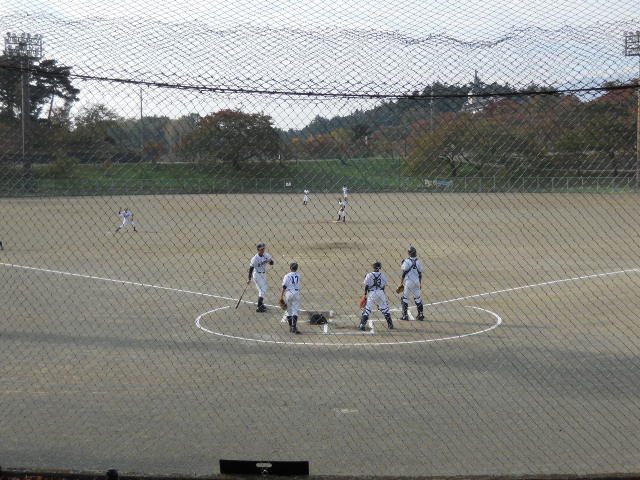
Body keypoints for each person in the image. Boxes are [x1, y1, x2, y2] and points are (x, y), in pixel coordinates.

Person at [358, 261, 393, 331]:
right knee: (385, 309)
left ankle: (362, 325)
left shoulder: (369, 275)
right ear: (379, 268)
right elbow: (384, 286)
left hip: (372, 293)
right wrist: (380, 297)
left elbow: (366, 286)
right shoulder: (382, 275)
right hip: (381, 292)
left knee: (367, 310)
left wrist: (365, 294)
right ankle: (390, 324)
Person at [399, 246, 425, 321]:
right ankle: (421, 314)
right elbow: (420, 273)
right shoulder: (418, 261)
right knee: (418, 298)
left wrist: (401, 283)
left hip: (409, 282)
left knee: (404, 298)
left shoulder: (407, 261)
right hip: (417, 281)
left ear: (409, 253)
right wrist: (420, 283)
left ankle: (405, 316)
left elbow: (404, 272)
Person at [247, 242, 274, 312]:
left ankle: (261, 304)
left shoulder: (266, 255)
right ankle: (259, 307)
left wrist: (270, 261)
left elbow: (272, 263)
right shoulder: (255, 258)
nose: (263, 250)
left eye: (263, 248)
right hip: (257, 275)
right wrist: (249, 279)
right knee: (263, 290)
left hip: (263, 274)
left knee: (262, 290)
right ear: (258, 250)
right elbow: (251, 269)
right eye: (261, 249)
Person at [280, 262, 301, 334]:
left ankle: (290, 327)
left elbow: (284, 286)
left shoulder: (287, 276)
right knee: (295, 310)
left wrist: (281, 296)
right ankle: (294, 327)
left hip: (288, 294)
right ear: (296, 268)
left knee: (288, 311)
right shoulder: (299, 275)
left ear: (290, 268)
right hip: (296, 293)